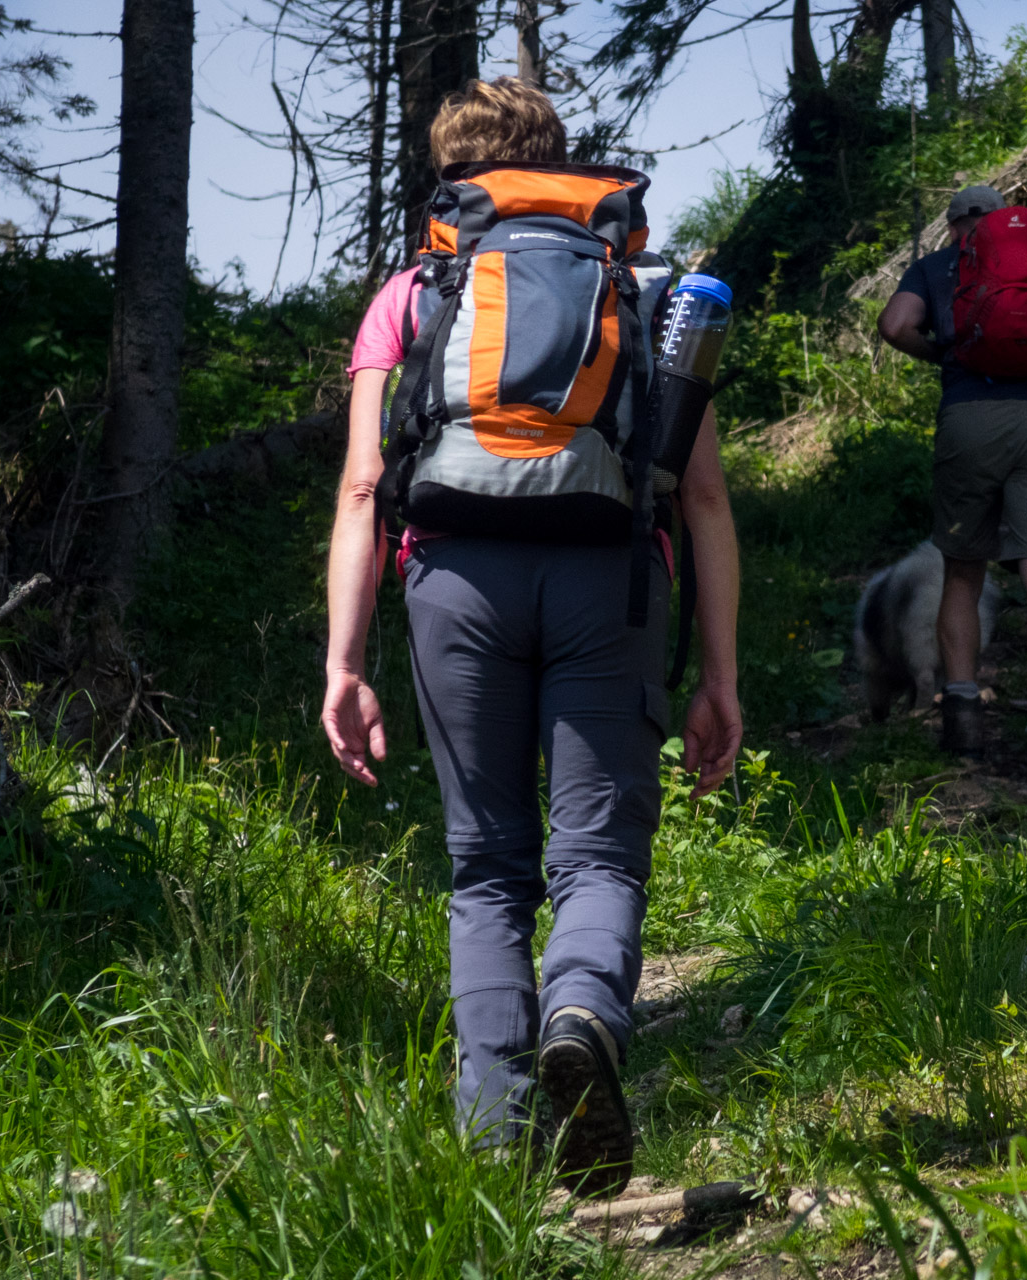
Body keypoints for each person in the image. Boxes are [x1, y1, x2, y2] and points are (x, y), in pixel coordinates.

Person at [320, 78, 742, 1189]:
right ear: (556, 160)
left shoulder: (411, 292)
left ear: (453, 177)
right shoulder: (643, 286)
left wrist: (343, 662)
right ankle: (585, 1013)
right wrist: (722, 675)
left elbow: (366, 483)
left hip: (452, 580)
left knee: (487, 865)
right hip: (610, 576)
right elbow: (700, 497)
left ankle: (494, 1136)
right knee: (599, 851)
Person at [876, 185, 1027, 770]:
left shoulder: (936, 266)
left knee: (962, 572)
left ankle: (962, 716)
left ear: (955, 223)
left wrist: (943, 355)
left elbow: (893, 327)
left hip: (970, 421)